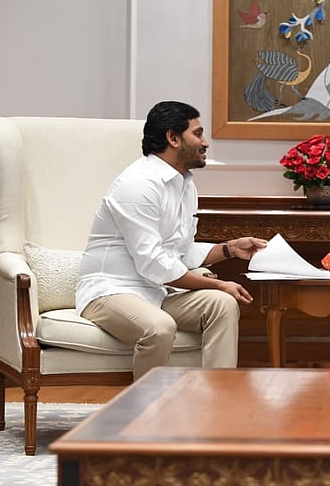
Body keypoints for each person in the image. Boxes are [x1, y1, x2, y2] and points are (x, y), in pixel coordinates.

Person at [76, 100, 268, 379]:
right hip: (111, 291)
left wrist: (228, 249)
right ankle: (145, 417)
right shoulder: (138, 183)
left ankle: (217, 403)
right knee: (159, 327)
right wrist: (218, 283)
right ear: (173, 138)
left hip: (157, 291)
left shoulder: (185, 184)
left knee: (222, 304)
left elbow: (179, 252)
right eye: (198, 133)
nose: (205, 143)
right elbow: (155, 264)